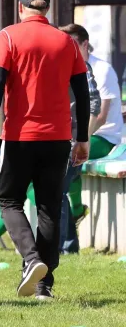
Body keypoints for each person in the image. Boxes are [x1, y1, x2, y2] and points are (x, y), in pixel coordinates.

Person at [0, 0, 90, 300]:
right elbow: (82, 93)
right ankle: (44, 285)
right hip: (58, 139)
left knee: (9, 200)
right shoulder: (65, 42)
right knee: (49, 207)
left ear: (21, 6)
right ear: (48, 8)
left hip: (19, 136)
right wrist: (82, 137)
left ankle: (32, 261)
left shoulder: (8, 36)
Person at [58, 24, 122, 249]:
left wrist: (79, 141)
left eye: (71, 44)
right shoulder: (64, 65)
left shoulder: (101, 70)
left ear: (84, 43)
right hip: (75, 136)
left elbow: (101, 115)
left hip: (103, 137)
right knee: (54, 179)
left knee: (59, 172)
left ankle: (66, 237)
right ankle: (73, 218)